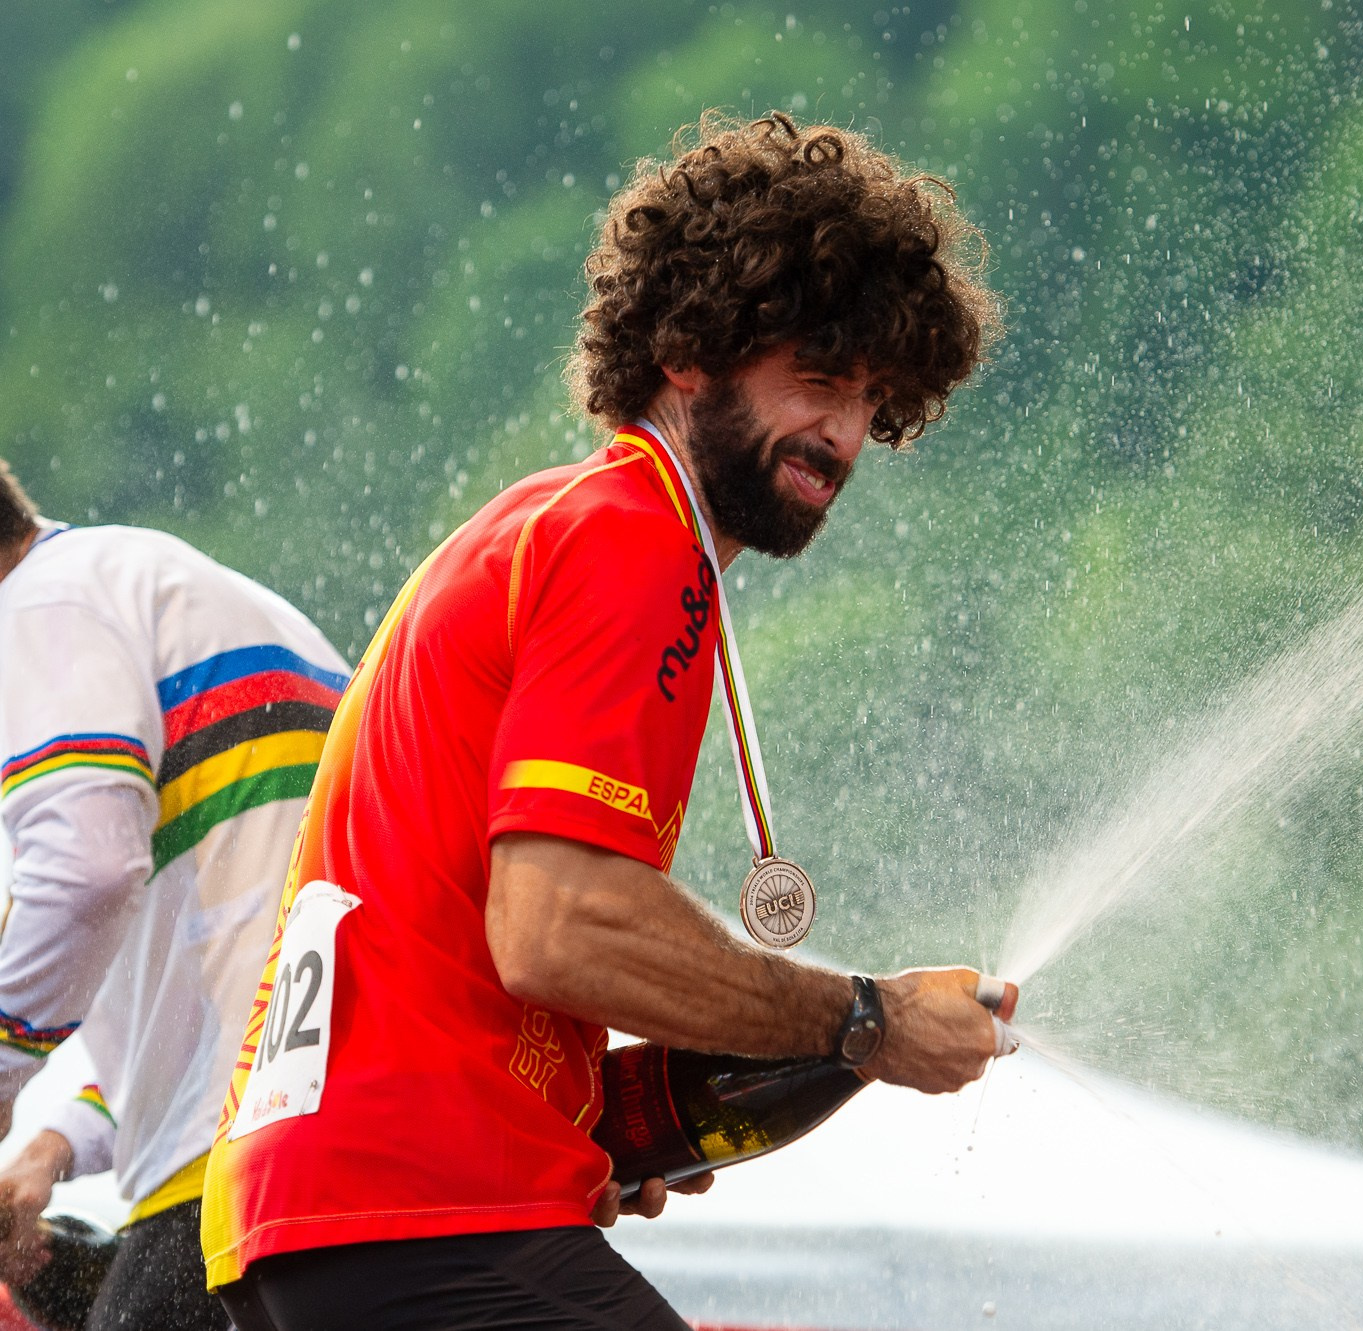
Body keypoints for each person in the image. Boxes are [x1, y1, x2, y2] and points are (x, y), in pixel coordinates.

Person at [202, 112, 1005, 1331]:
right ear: (690, 350)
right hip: (425, 1211)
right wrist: (867, 1019)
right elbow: (557, 927)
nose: (843, 434)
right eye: (819, 378)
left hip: (319, 1217)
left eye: (872, 401)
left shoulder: (549, 522)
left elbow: (472, 946)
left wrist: (600, 1118)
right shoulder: (635, 541)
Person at [0, 458, 350, 1330]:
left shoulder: (38, 614)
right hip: (342, 1119)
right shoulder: (150, 584)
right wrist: (52, 1145)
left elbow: (85, 872)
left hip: (247, 1156)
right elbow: (206, 970)